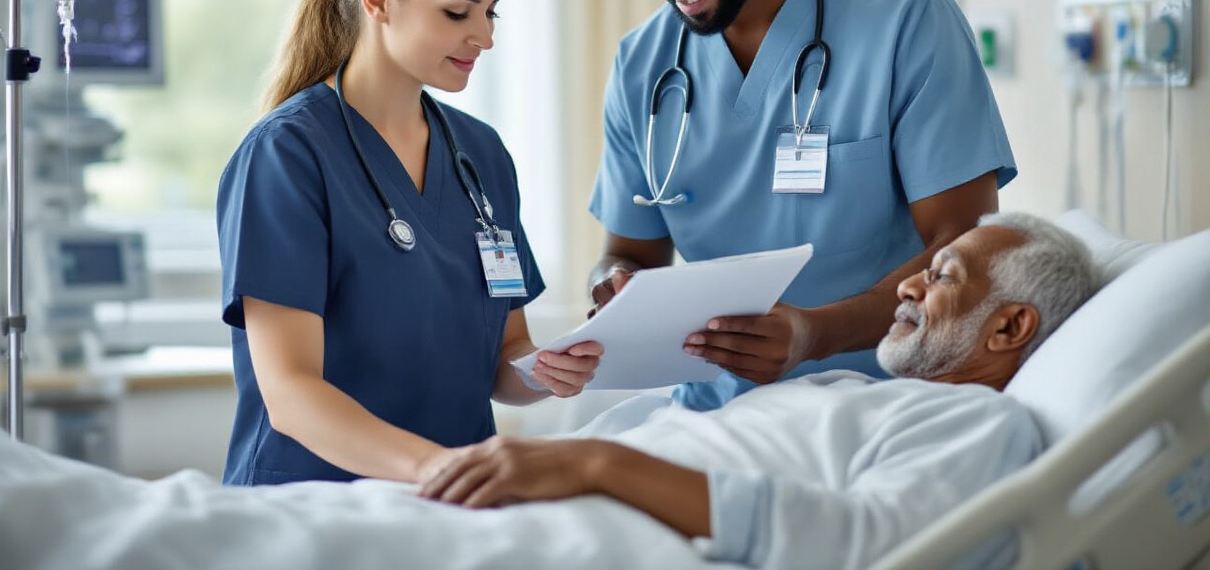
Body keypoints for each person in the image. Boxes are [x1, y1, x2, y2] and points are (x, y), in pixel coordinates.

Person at [587, 0, 1017, 411]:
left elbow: (968, 249)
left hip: (887, 401)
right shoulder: (642, 66)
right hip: (718, 413)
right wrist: (611, 286)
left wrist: (815, 335)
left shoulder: (907, 21)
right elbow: (627, 252)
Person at [420, 212, 1097, 569]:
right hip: (509, 500)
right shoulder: (845, 391)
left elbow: (875, 546)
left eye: (944, 275)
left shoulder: (977, 425)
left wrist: (596, 465)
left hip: (580, 533)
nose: (908, 284)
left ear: (1010, 327)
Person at [216, 0, 601, 487]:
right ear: (377, 0)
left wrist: (546, 370)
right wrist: (437, 468)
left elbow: (504, 358)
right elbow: (290, 392)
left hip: (453, 506)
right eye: (457, 12)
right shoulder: (288, 155)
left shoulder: (481, 155)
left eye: (491, 11)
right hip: (313, 508)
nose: (486, 36)